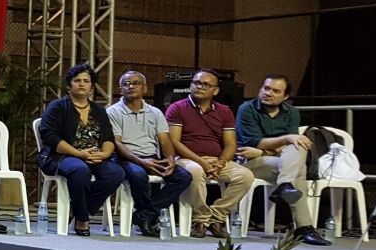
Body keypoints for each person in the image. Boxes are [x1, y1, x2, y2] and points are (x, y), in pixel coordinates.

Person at [236, 74, 329, 246]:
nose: (268, 93)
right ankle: (304, 227)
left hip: (281, 162)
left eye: (275, 91)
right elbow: (254, 142)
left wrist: (265, 149)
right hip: (250, 163)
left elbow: (289, 145)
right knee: (298, 167)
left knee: (298, 147)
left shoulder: (291, 112)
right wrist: (282, 141)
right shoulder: (247, 109)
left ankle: (286, 185)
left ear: (285, 96)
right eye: (266, 88)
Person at [38, 64, 126, 237]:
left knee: (116, 173)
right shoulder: (57, 107)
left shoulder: (99, 110)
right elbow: (50, 136)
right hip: (62, 155)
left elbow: (108, 138)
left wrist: (104, 154)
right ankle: (82, 219)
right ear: (69, 85)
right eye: (77, 80)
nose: (82, 84)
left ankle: (78, 209)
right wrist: (79, 154)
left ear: (92, 87)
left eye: (86, 81)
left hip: (93, 156)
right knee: (79, 169)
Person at [166, 69, 255, 239]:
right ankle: (200, 219)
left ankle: (216, 217)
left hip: (215, 160)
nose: (200, 87)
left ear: (215, 90)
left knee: (245, 176)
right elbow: (174, 142)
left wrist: (221, 162)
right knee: (195, 170)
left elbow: (230, 144)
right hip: (185, 159)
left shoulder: (224, 111)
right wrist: (201, 161)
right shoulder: (177, 108)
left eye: (206, 85)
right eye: (196, 83)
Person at [107, 70, 191, 237]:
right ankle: (146, 216)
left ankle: (144, 214)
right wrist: (141, 161)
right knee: (138, 175)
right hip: (126, 158)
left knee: (183, 176)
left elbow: (164, 140)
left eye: (136, 83)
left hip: (152, 157)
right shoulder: (113, 112)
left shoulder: (155, 112)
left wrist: (170, 159)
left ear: (145, 88)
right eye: (126, 84)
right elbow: (117, 143)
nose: (131, 86)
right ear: (120, 89)